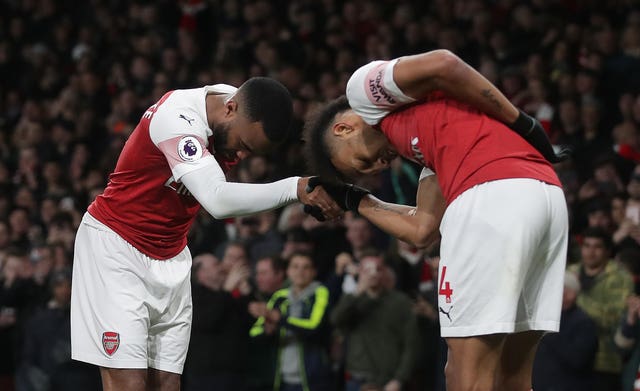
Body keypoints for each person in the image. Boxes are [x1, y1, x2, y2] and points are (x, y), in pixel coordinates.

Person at [303, 49, 569, 390]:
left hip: (491, 196)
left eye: (361, 163)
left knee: (464, 375)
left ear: (343, 128)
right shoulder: (436, 133)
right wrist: (356, 200)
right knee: (511, 377)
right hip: (545, 197)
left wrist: (522, 121)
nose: (376, 168)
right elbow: (421, 229)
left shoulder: (362, 93)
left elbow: (444, 64)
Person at [70, 77, 341, 391]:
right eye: (244, 145)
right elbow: (217, 199)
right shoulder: (177, 118)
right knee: (129, 382)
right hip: (117, 248)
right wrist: (294, 188)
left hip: (171, 253)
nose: (240, 157)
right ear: (230, 109)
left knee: (168, 384)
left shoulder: (236, 108)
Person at [330, 251, 419, 391]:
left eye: (378, 269)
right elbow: (335, 320)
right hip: (357, 378)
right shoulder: (353, 299)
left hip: (389, 381)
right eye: (368, 269)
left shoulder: (400, 302)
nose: (373, 274)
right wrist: (358, 291)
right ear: (360, 272)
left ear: (384, 272)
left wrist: (399, 379)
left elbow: (411, 344)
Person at [249, 252, 333, 391]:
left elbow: (313, 326)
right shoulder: (279, 297)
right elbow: (255, 331)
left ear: (313, 272)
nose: (300, 271)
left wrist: (279, 319)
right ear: (288, 271)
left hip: (312, 379)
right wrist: (267, 331)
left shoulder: (320, 293)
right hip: (281, 378)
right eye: (295, 267)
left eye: (306, 267)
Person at [567, 227, 633, 391]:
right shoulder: (570, 272)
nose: (591, 252)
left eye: (597, 247)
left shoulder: (620, 277)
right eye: (587, 246)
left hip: (604, 362)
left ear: (607, 251)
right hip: (567, 358)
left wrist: (577, 296)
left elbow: (613, 319)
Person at [532, 271, 598, 391]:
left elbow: (578, 359)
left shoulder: (583, 323)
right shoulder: (547, 317)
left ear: (571, 294)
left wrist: (550, 332)